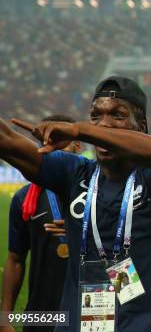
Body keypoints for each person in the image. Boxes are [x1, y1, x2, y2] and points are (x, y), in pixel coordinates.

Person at [0, 76, 151, 331]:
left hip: (141, 325)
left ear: (141, 126)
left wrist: (82, 130)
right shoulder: (74, 172)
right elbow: (8, 141)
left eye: (118, 115)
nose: (104, 124)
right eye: (96, 115)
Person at [1, 115, 81, 332]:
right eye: (48, 142)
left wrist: (81, 232)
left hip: (90, 311)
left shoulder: (100, 195)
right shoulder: (24, 199)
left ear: (78, 146)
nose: (55, 149)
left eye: (63, 142)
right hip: (42, 313)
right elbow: (15, 259)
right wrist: (5, 317)